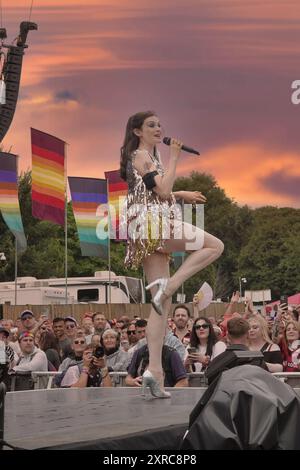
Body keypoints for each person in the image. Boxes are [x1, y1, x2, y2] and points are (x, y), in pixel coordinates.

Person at [120, 111, 224, 398]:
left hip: (146, 227)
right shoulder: (141, 155)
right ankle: (175, 284)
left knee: (159, 306)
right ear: (137, 131)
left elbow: (157, 191)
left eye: (159, 124)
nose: (158, 129)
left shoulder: (149, 158)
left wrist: (183, 193)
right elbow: (163, 192)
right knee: (215, 246)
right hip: (156, 224)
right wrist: (177, 156)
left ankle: (154, 371)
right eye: (151, 125)